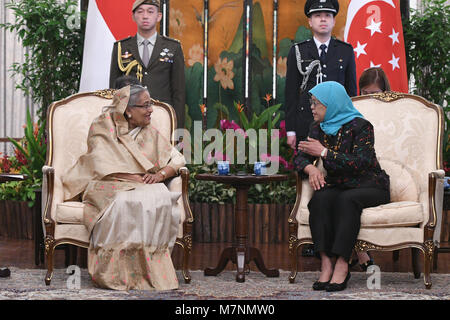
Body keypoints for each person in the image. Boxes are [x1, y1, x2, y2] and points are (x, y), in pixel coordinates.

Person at [62, 85, 186, 291]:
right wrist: (133, 177)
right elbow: (100, 162)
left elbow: (177, 159)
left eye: (151, 104)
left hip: (143, 184)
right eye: (145, 105)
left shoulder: (149, 132)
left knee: (159, 198)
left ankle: (149, 274)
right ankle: (115, 275)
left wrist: (160, 175)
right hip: (106, 184)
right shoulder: (102, 127)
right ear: (128, 110)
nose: (151, 110)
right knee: (125, 202)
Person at [293, 81, 390, 292]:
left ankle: (343, 263)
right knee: (319, 199)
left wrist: (325, 153)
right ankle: (326, 263)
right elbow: (299, 158)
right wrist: (311, 169)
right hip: (340, 184)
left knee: (346, 200)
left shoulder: (362, 126)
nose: (312, 107)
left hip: (370, 184)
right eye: (311, 103)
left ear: (332, 104)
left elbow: (361, 162)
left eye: (317, 103)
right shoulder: (317, 128)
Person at [285, 0, 357, 258]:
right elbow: (291, 94)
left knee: (336, 178)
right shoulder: (298, 51)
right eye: (318, 16)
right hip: (307, 125)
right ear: (310, 22)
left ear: (334, 20)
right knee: (312, 181)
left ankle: (334, 241)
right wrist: (291, 130)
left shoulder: (345, 51)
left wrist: (352, 128)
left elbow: (352, 95)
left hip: (339, 128)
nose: (323, 20)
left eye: (328, 15)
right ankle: (317, 240)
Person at [109, 0, 186, 129]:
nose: (145, 16)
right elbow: (114, 89)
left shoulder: (173, 47)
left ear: (159, 16)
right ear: (133, 16)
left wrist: (176, 127)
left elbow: (179, 93)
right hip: (130, 119)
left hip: (162, 118)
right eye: (140, 11)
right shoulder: (121, 47)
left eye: (150, 11)